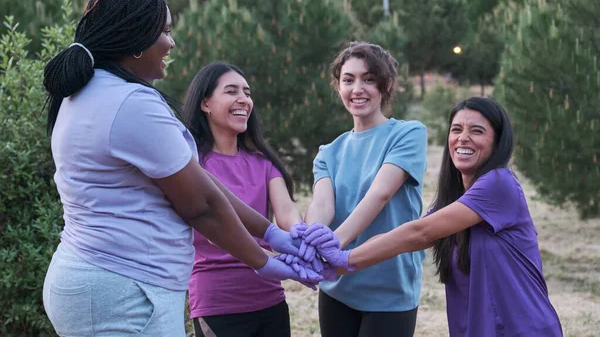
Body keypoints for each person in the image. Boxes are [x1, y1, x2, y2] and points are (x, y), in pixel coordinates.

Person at [41, 0, 319, 337]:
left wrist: (270, 233)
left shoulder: (86, 92)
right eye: (166, 32)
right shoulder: (130, 103)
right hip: (122, 291)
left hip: (99, 280)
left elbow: (197, 180)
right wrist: (263, 260)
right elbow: (200, 205)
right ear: (137, 39)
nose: (171, 44)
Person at [310, 97, 563, 337]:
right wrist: (334, 260)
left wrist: (344, 260)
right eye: (456, 130)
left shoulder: (499, 184)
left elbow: (420, 233)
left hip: (521, 328)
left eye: (477, 131)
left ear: (497, 142)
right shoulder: (453, 199)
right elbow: (406, 237)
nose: (463, 138)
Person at [294, 42, 428, 337]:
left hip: (390, 291)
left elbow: (380, 194)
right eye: (348, 79)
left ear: (386, 84)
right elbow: (322, 204)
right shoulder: (328, 152)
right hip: (337, 289)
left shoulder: (408, 133)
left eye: (368, 79)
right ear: (338, 86)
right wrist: (313, 240)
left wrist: (335, 243)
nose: (358, 88)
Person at [182, 61, 308, 337]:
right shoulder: (191, 165)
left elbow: (286, 212)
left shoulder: (263, 162)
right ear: (205, 104)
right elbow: (218, 231)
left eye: (247, 92)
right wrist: (270, 257)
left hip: (270, 298)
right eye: (231, 91)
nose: (244, 99)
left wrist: (300, 233)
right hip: (218, 304)